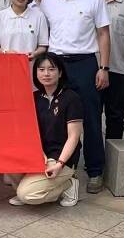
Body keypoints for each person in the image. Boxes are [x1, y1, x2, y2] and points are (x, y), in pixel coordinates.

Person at [39, 0, 111, 194]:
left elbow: (103, 33)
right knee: (57, 118)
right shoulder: (47, 0)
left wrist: (103, 68)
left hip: (85, 64)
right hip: (57, 65)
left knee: (91, 117)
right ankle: (64, 167)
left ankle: (95, 170)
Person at [8, 53, 81, 207]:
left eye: (51, 69)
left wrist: (60, 163)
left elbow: (73, 137)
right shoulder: (34, 98)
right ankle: (31, 188)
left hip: (61, 158)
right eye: (41, 69)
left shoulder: (71, 98)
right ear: (36, 73)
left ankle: (68, 184)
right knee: (8, 164)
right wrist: (38, 153)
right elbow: (26, 131)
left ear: (60, 73)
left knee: (27, 195)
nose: (46, 74)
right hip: (40, 155)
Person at [96, 0, 124, 141]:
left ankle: (112, 155)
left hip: (120, 68)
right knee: (91, 116)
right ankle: (95, 157)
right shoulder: (90, 0)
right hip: (92, 68)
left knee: (116, 117)